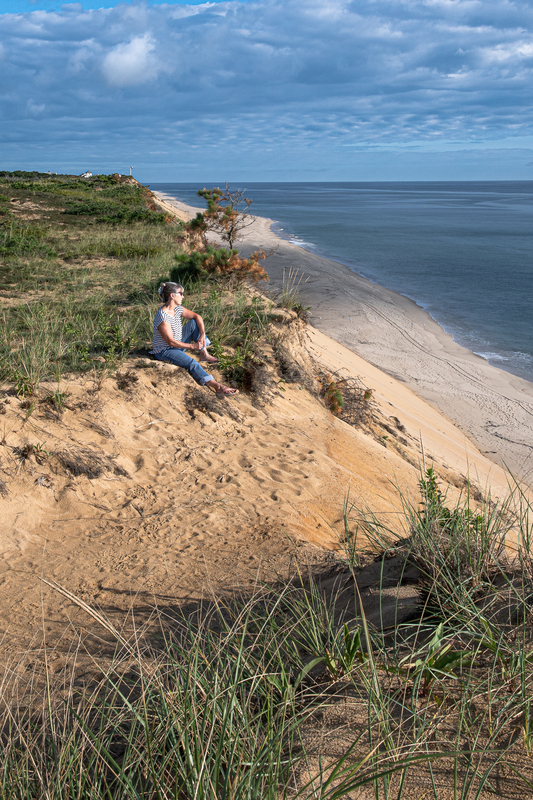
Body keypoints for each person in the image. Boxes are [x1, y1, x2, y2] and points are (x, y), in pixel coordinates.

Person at [151, 282, 238, 397]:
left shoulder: (177, 309)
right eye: (180, 293)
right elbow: (170, 342)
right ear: (172, 295)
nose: (183, 296)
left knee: (193, 323)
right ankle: (217, 386)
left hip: (177, 344)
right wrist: (192, 346)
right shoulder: (163, 315)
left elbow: (197, 317)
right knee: (192, 363)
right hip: (165, 350)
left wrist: (202, 334)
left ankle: (204, 354)